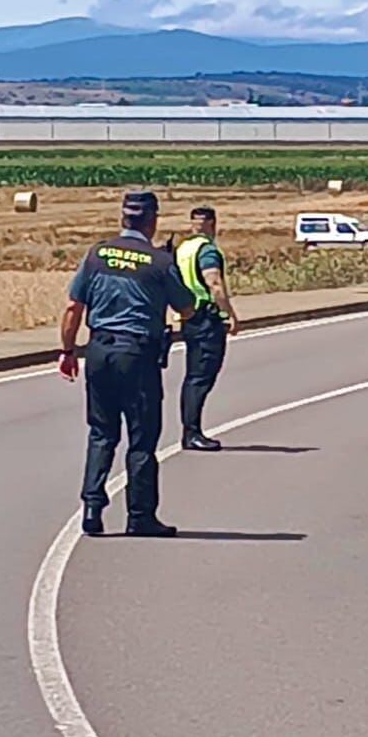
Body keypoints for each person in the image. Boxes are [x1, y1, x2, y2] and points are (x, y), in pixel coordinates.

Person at [59, 191, 196, 538]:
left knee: (102, 433)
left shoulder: (97, 254)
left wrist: (67, 351)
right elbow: (187, 308)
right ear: (152, 221)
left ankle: (92, 506)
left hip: (99, 350)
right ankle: (140, 516)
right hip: (137, 355)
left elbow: (74, 307)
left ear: (124, 219)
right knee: (141, 438)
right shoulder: (159, 262)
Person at [175, 206, 240, 452]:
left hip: (189, 316)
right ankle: (192, 433)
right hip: (207, 318)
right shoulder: (207, 250)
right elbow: (214, 282)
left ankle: (190, 430)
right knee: (200, 378)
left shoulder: (183, 248)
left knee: (193, 376)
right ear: (213, 224)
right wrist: (229, 314)